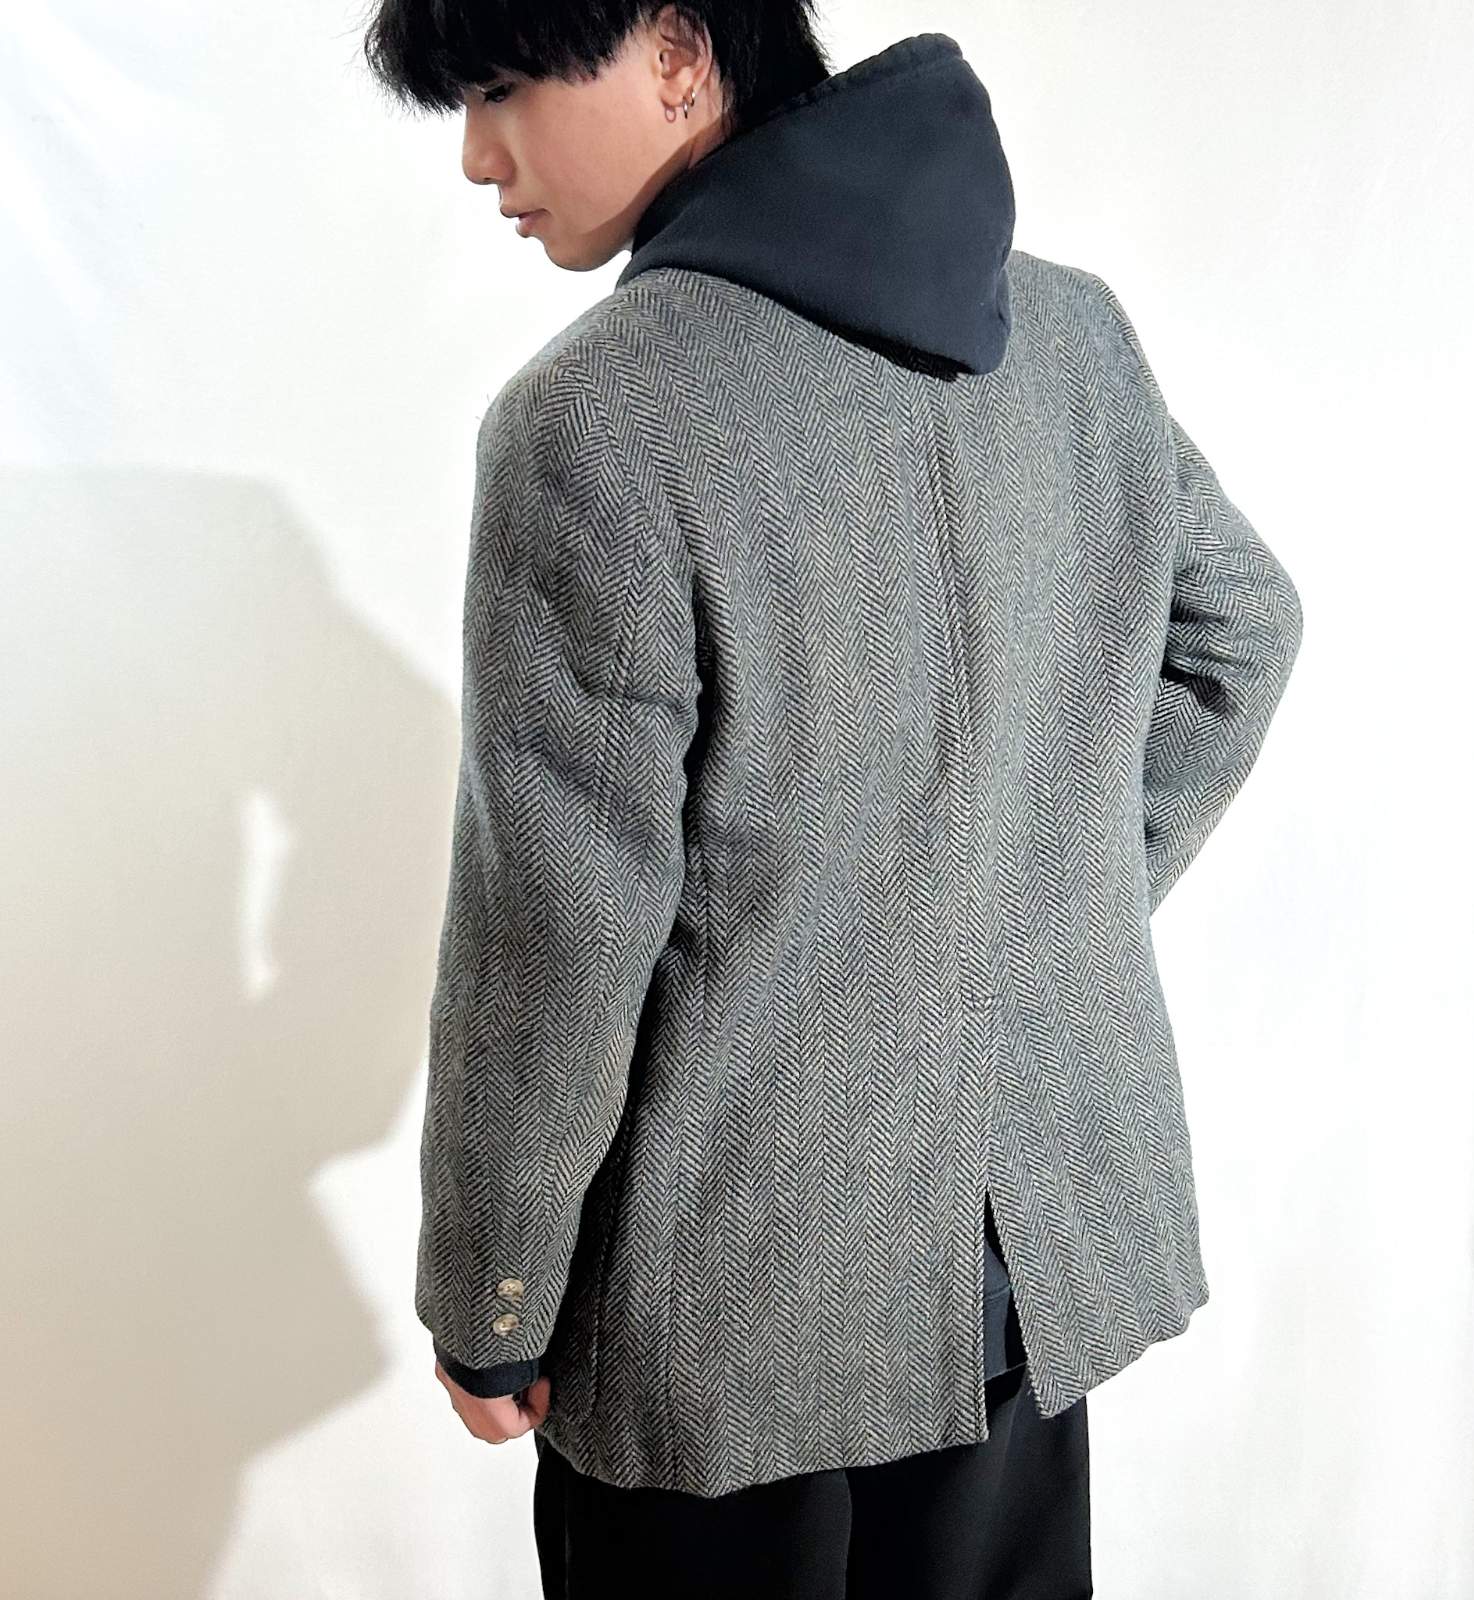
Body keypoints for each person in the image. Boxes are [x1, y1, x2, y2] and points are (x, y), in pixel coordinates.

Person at [360, 4, 1304, 1596]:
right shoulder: (1070, 337)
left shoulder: (597, 419)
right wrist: (1029, 919)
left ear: (677, 50)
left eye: (506, 88)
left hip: (723, 1316)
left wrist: (493, 1301)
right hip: (1019, 1268)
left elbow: (558, 941)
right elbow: (1241, 633)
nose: (477, 156)